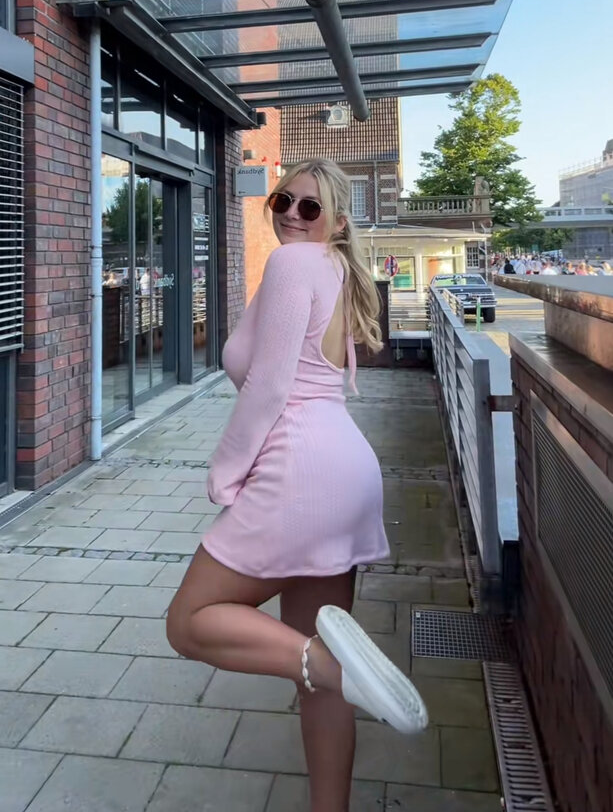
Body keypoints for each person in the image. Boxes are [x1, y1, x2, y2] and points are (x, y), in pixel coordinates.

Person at [166, 159, 427, 812]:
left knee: (190, 623)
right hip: (345, 469)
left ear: (336, 221)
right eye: (283, 200)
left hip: (298, 471)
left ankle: (344, 671)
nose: (289, 213)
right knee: (315, 665)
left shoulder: (292, 264)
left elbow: (270, 384)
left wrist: (226, 470)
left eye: (309, 207)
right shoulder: (334, 268)